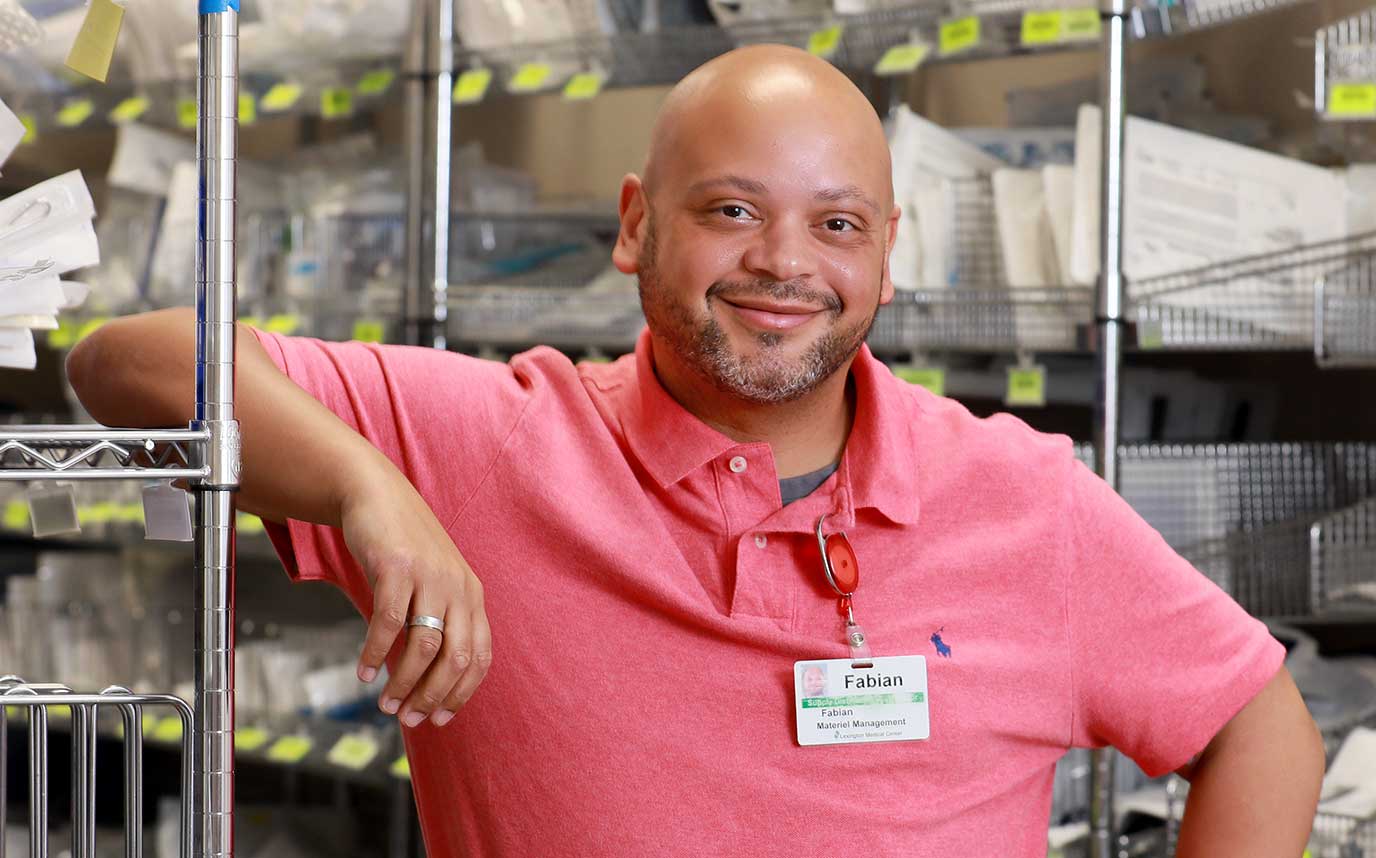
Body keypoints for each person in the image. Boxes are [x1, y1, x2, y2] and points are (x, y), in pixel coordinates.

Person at [72, 44, 1323, 857]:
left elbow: (1254, 721)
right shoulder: (486, 439)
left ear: (888, 253)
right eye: (731, 210)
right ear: (634, 227)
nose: (784, 263)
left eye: (834, 224)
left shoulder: (1020, 498)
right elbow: (125, 361)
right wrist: (369, 488)